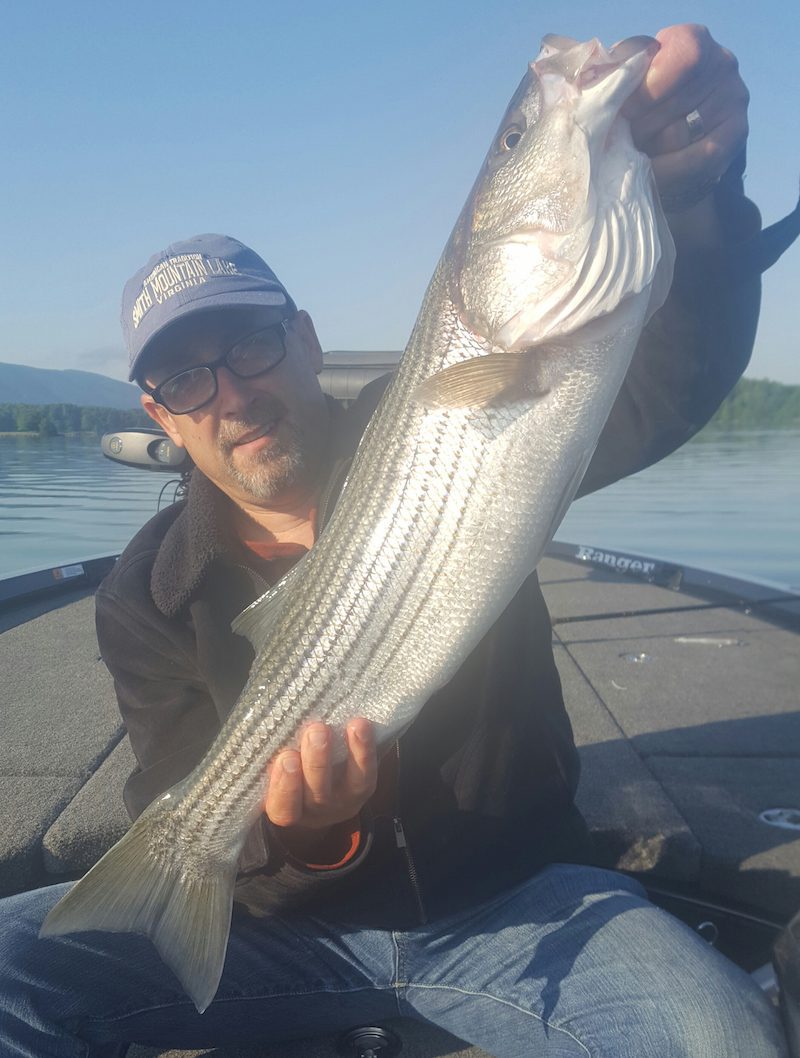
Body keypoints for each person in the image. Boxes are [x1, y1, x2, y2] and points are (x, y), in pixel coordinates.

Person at [1, 23, 796, 1058]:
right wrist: (312, 834)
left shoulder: (446, 408)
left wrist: (695, 192)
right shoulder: (146, 594)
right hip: (281, 935)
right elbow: (176, 793)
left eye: (251, 344)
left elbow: (669, 383)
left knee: (718, 1038)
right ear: (160, 413)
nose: (232, 393)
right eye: (188, 377)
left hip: (518, 902)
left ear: (306, 339)